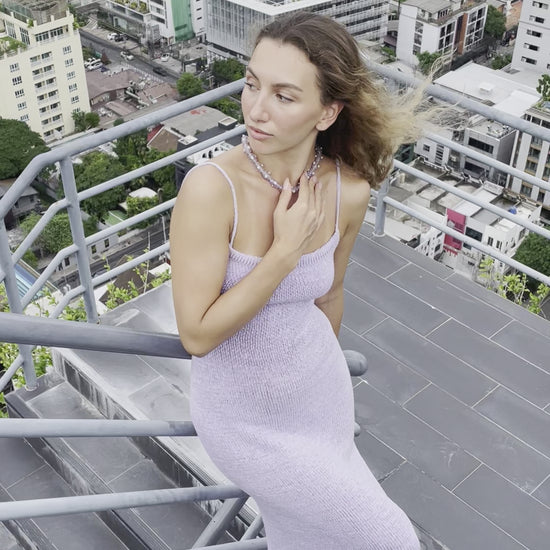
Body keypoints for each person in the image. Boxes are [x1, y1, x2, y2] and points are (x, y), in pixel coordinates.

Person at [170, 12, 422, 550]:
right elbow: (197, 334)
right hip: (244, 420)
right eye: (252, 84)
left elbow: (329, 294)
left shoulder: (347, 190)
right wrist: (284, 253)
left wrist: (307, 376)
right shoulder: (211, 190)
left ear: (327, 112)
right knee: (390, 540)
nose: (256, 110)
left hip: (319, 397)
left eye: (284, 96)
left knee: (301, 535)